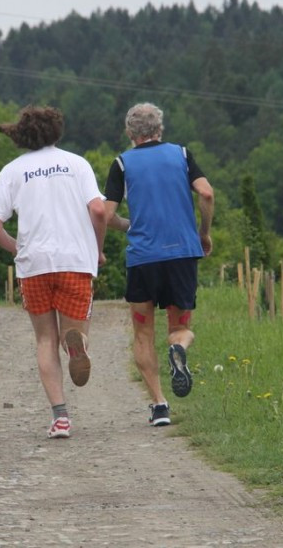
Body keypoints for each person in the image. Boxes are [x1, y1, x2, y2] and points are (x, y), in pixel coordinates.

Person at [0, 106, 107, 439]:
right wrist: (97, 249)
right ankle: (77, 344)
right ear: (56, 131)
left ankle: (60, 418)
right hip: (74, 261)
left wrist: (17, 249)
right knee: (74, 330)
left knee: (44, 339)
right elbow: (97, 209)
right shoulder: (76, 163)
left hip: (34, 265)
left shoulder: (13, 170)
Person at [104, 102, 214, 427]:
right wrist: (203, 234)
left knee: (143, 333)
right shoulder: (181, 155)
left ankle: (159, 405)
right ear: (160, 129)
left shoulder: (122, 163)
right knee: (179, 328)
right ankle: (178, 348)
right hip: (182, 255)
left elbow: (106, 215)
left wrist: (130, 225)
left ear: (129, 133)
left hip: (143, 260)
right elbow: (206, 194)